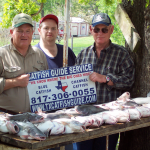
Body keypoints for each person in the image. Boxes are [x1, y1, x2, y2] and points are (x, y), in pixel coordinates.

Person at [73, 13, 135, 150]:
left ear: (111, 30)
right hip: (85, 119)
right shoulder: (83, 54)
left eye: (104, 29)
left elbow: (129, 81)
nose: (100, 33)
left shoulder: (121, 54)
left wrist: (107, 78)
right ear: (91, 30)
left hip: (109, 119)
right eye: (96, 29)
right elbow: (74, 85)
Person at [35, 14, 76, 150]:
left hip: (67, 117)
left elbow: (76, 77)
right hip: (43, 118)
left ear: (58, 31)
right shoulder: (32, 54)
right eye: (46, 28)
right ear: (39, 30)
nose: (50, 31)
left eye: (53, 28)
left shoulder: (66, 51)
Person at [0, 13, 48, 114]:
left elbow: (47, 84)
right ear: (11, 32)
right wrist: (15, 82)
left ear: (32, 33)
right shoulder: (2, 54)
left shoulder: (39, 54)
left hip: (34, 116)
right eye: (20, 31)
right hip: (7, 117)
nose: (24, 35)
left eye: (27, 31)